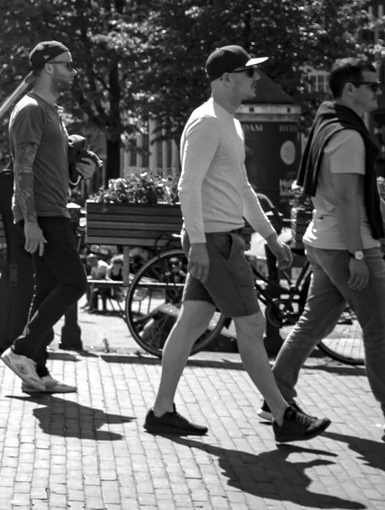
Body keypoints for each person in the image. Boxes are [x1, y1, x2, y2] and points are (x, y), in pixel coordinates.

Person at [141, 46, 329, 443]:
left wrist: (269, 236)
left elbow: (241, 188)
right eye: (248, 73)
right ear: (226, 78)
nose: (255, 79)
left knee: (190, 322)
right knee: (252, 323)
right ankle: (282, 414)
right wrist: (197, 243)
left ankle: (160, 411)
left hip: (216, 239)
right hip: (215, 241)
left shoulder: (229, 122)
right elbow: (187, 185)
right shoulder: (207, 122)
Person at [269, 58, 385, 437]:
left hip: (321, 240)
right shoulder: (349, 137)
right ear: (350, 89)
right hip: (348, 246)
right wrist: (357, 255)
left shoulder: (326, 122)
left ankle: (276, 395)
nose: (378, 91)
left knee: (313, 322)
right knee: (379, 330)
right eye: (372, 85)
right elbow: (350, 200)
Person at [0, 41, 84, 395]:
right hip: (44, 215)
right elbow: (22, 166)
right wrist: (30, 221)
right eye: (67, 65)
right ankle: (22, 349)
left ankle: (38, 370)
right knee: (75, 283)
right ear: (49, 67)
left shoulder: (51, 111)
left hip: (54, 208)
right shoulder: (31, 109)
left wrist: (77, 171)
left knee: (47, 288)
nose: (73, 71)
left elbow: (51, 166)